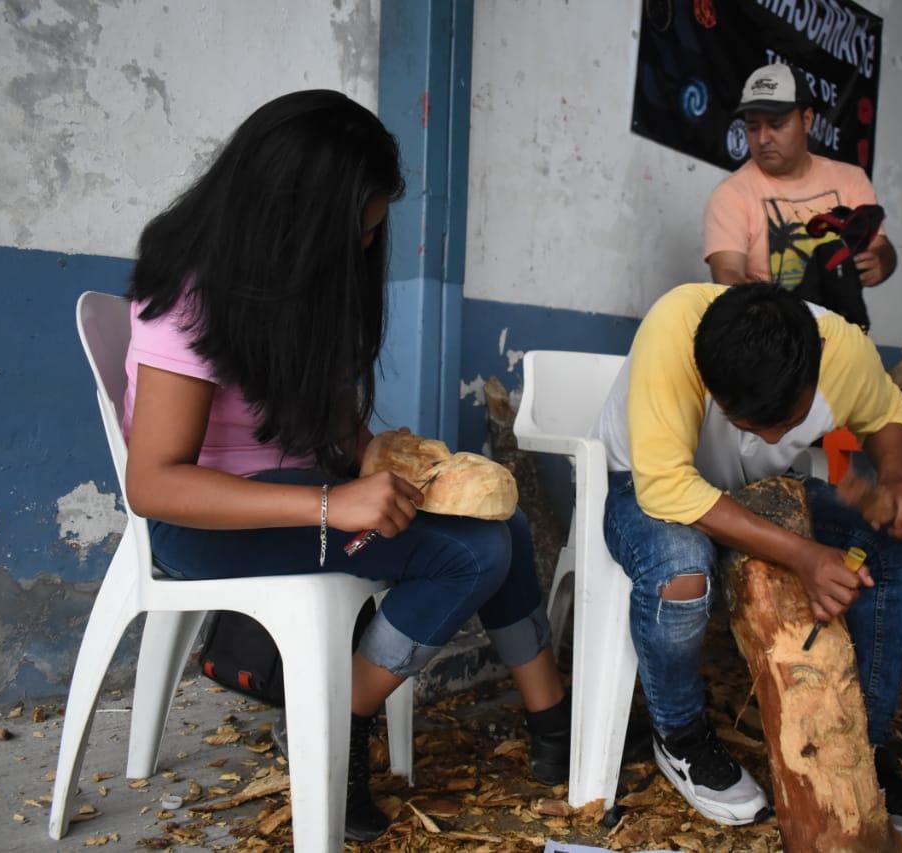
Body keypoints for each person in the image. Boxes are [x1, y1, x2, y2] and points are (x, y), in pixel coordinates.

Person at [122, 90, 573, 842]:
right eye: (358, 229)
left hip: (302, 497)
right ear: (296, 215)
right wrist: (333, 506)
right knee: (473, 554)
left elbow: (317, 415)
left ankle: (554, 726)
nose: (368, 247)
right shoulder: (192, 294)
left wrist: (379, 454)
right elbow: (154, 485)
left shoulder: (288, 282)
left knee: (501, 518)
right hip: (207, 522)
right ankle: (335, 719)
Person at [591, 282, 902, 848]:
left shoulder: (839, 346)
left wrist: (894, 480)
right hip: (642, 486)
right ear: (711, 386)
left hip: (762, 490)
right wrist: (804, 555)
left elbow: (887, 415)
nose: (769, 436)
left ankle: (869, 751)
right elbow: (666, 489)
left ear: (812, 377)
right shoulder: (674, 333)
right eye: (748, 426)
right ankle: (680, 732)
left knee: (896, 548)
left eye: (787, 422)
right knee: (682, 570)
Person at [704, 63, 898, 308]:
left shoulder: (850, 181)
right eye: (753, 127)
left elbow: (882, 248)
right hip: (766, 333)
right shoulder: (731, 194)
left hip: (838, 333)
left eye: (776, 125)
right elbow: (727, 275)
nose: (763, 139)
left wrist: (880, 262)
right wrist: (783, 321)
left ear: (806, 121)